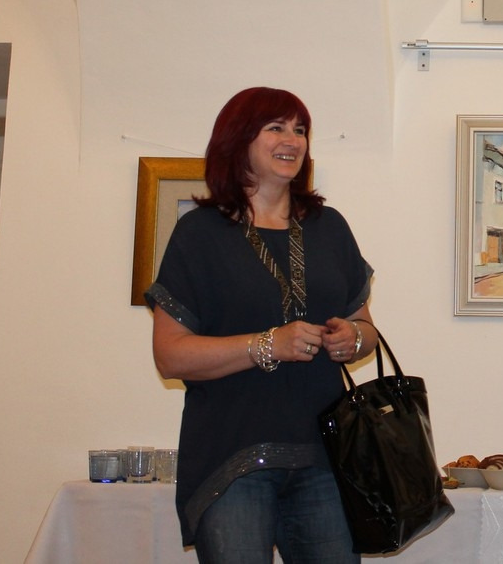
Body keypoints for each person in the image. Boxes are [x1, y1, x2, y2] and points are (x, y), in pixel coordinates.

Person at [146, 87, 379, 564]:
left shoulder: (330, 226)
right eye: (276, 127)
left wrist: (352, 339)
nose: (292, 140)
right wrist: (267, 344)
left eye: (300, 130)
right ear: (238, 140)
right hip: (231, 458)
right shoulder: (199, 233)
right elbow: (170, 355)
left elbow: (366, 329)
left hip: (327, 458)